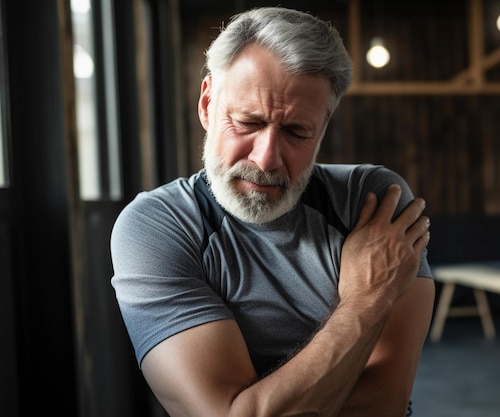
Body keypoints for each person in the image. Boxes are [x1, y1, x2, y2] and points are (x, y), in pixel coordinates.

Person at [111, 6, 434, 417]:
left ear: (323, 126)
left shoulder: (369, 200)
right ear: (208, 105)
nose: (266, 160)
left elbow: (383, 402)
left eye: (297, 131)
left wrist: (271, 400)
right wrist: (367, 299)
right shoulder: (157, 227)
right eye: (247, 122)